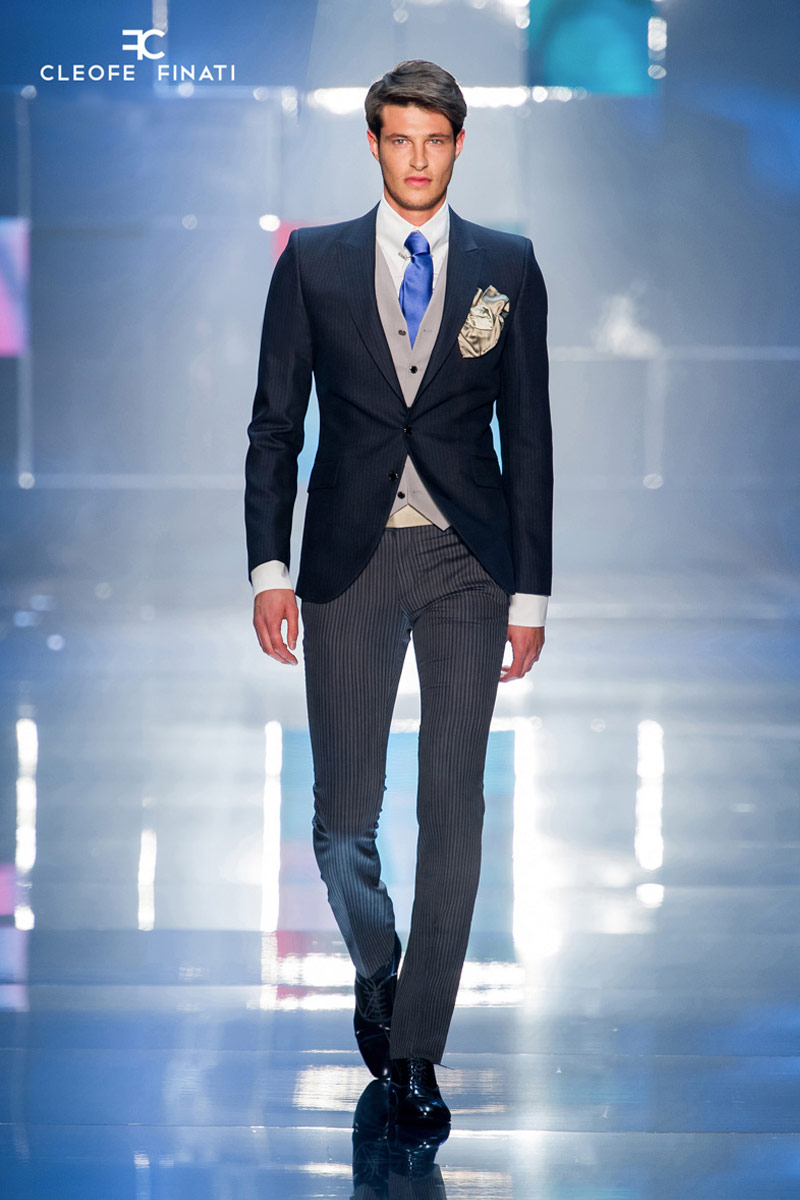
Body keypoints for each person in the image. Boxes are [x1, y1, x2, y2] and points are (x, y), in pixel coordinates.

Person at [244, 59, 553, 1128]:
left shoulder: (506, 263)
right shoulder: (312, 262)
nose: (417, 159)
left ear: (457, 145)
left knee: (453, 809)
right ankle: (379, 969)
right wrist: (269, 568)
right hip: (348, 558)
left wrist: (532, 592)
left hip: (470, 561)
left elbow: (530, 434)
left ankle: (418, 1050)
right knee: (342, 826)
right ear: (373, 144)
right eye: (399, 139)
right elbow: (274, 426)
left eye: (435, 140)